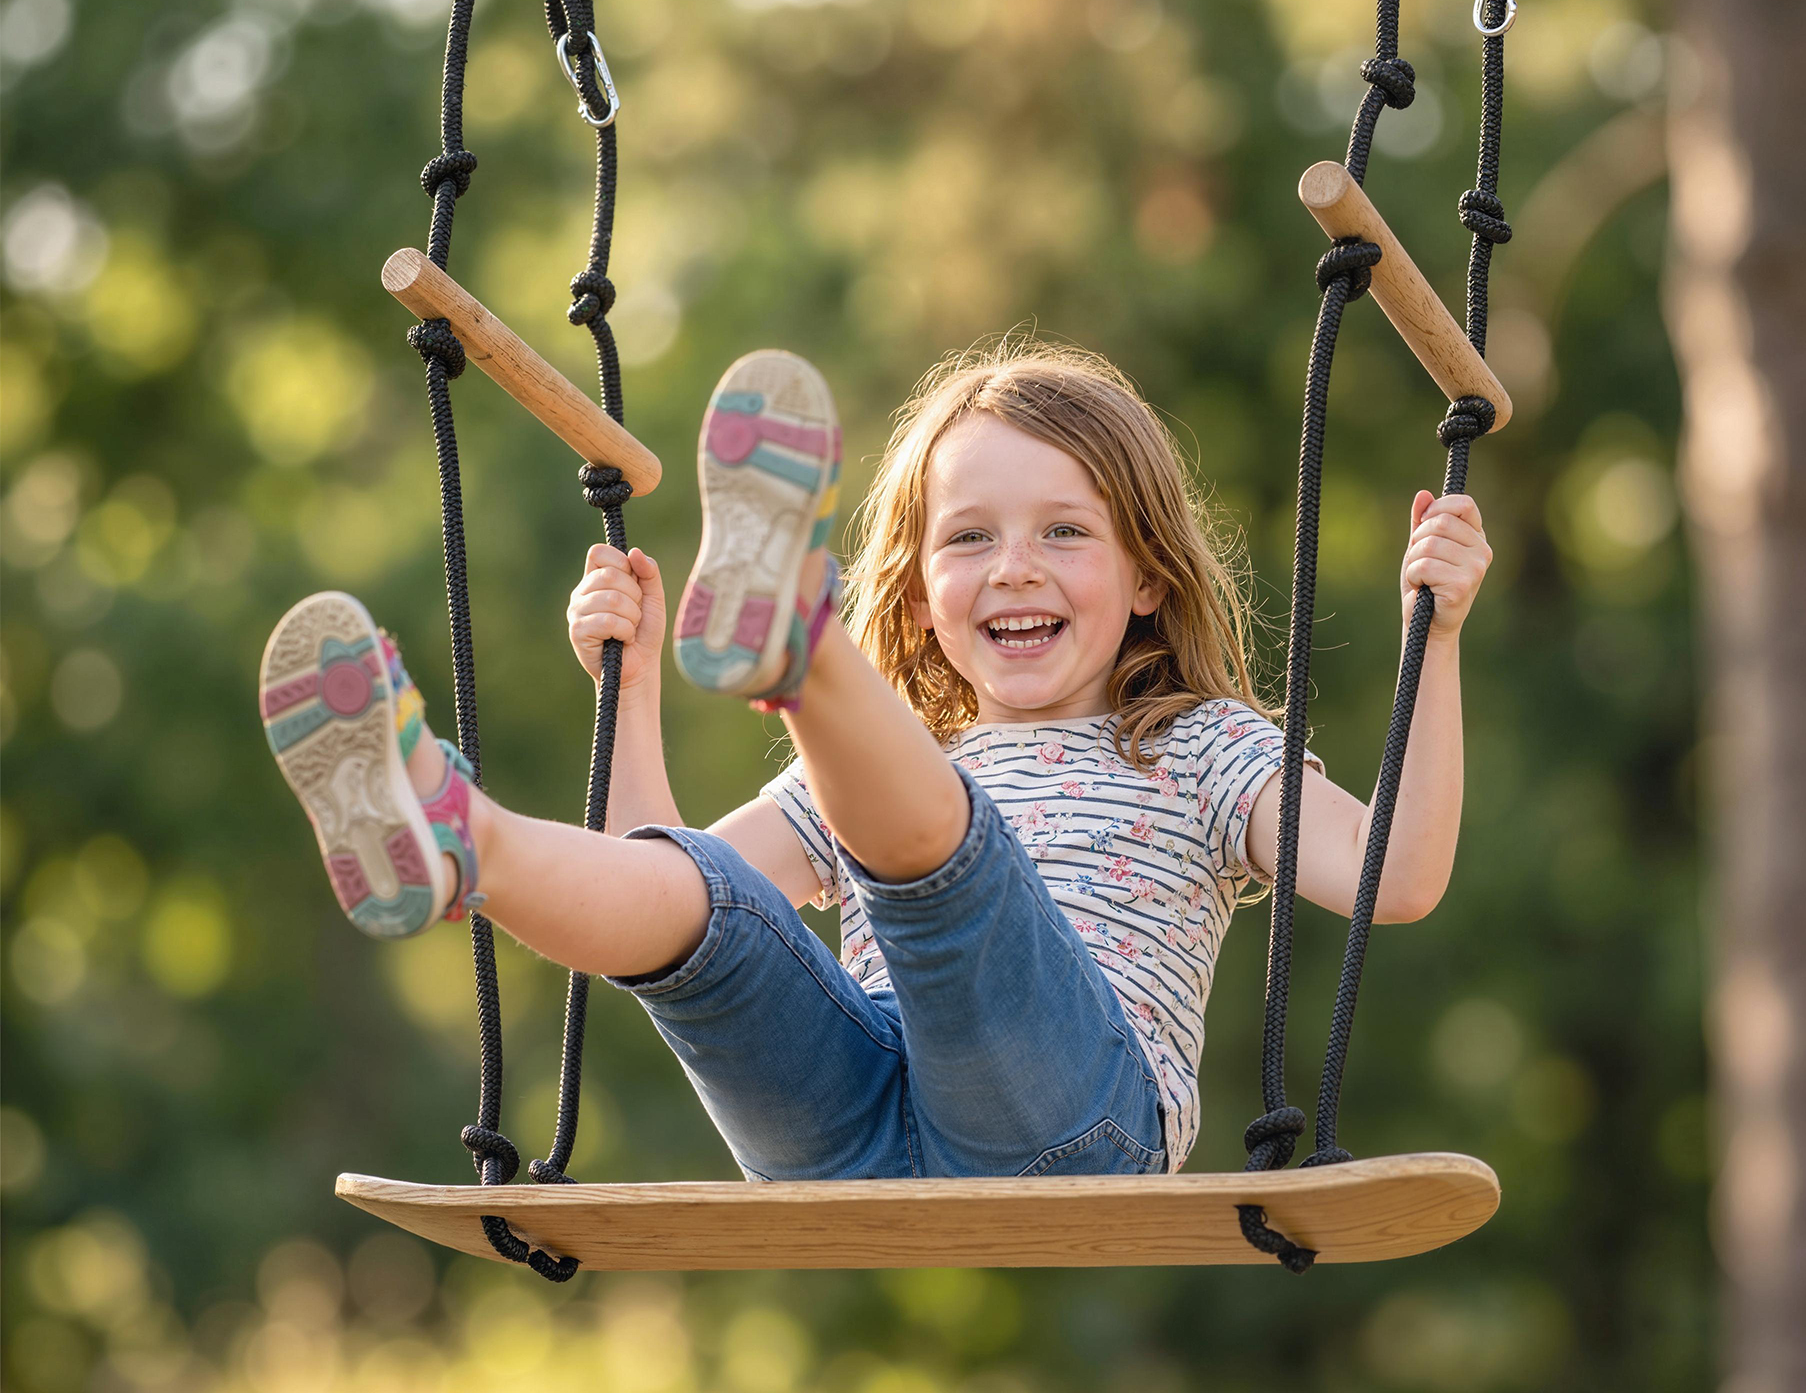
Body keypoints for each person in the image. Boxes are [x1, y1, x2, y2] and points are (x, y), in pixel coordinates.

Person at [260, 339, 1490, 1180]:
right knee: (709, 908)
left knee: (946, 856)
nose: (1013, 567)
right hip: (844, 1142)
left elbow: (1396, 875)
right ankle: (457, 835)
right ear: (918, 591)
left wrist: (1430, 639)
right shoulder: (877, 771)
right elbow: (656, 885)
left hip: (1072, 1126)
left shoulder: (1199, 745)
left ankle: (797, 641)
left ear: (1147, 578)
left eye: (1064, 531)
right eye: (969, 537)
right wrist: (627, 695)